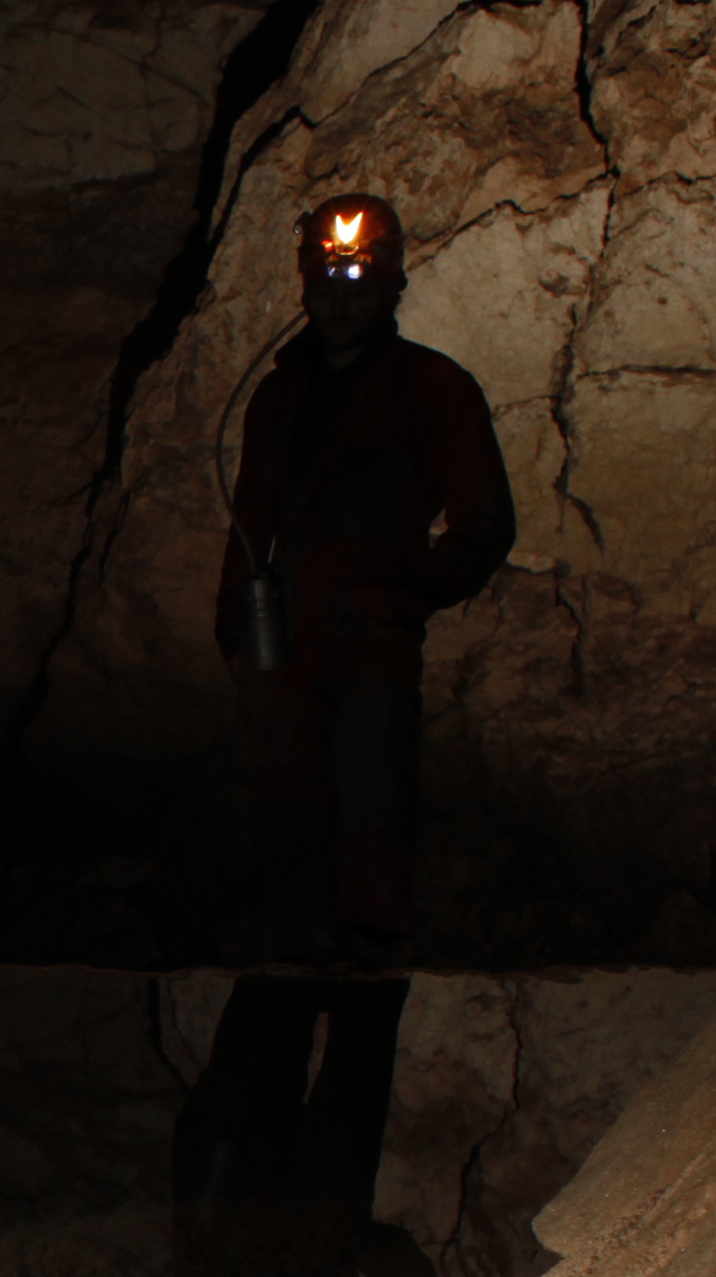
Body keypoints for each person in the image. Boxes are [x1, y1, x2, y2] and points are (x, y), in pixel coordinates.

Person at [214, 194, 516, 958]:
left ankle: (370, 969)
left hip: (373, 638)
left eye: (357, 289)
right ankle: (285, 967)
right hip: (284, 639)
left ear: (391, 288)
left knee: (374, 806)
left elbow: (485, 523)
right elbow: (250, 517)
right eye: (325, 288)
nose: (339, 305)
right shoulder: (279, 395)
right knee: (283, 810)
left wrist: (405, 597)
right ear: (305, 286)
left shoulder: (434, 388)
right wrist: (236, 628)